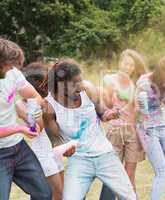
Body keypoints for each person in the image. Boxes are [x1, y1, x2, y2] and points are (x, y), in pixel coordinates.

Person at [42, 59, 136, 200]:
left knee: (129, 197)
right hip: (79, 160)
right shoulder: (49, 107)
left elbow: (102, 113)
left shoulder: (87, 89)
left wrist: (108, 114)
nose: (80, 86)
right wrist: (65, 149)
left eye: (81, 81)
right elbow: (56, 141)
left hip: (105, 155)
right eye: (75, 83)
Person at [0, 38, 52, 200]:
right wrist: (20, 128)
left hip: (18, 148)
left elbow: (35, 96)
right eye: (9, 65)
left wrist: (32, 115)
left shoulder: (13, 74)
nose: (12, 69)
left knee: (44, 193)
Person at [100, 49, 147, 200]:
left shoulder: (136, 86)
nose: (128, 67)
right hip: (114, 132)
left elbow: (139, 112)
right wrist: (109, 94)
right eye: (126, 63)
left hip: (132, 133)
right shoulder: (109, 80)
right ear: (120, 63)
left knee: (129, 175)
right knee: (111, 174)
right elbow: (104, 105)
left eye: (131, 65)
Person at [16, 62, 64, 200]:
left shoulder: (49, 100)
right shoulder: (22, 105)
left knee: (61, 194)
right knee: (55, 193)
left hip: (55, 152)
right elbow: (38, 128)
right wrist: (37, 106)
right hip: (43, 155)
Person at [135, 56, 165, 200]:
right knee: (162, 171)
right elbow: (137, 111)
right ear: (161, 72)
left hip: (163, 127)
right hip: (147, 130)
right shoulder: (144, 82)